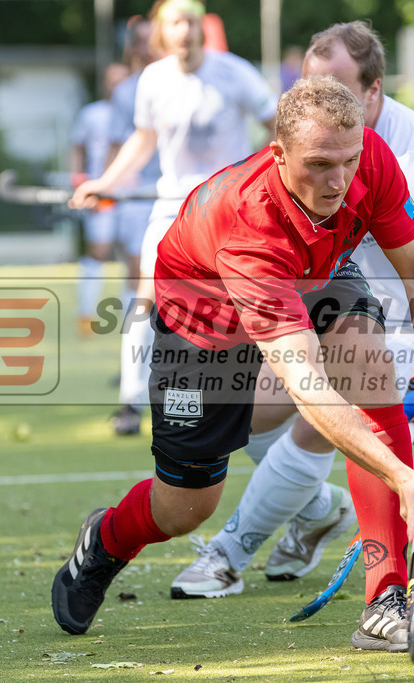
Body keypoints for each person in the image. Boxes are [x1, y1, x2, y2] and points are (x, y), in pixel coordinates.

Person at [53, 75, 414, 653]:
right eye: (320, 164)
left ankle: (385, 600)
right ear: (279, 155)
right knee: (187, 508)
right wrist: (401, 475)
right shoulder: (251, 229)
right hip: (204, 320)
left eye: (346, 162)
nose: (338, 181)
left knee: (370, 369)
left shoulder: (365, 157)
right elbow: (308, 388)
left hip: (317, 271)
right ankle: (105, 540)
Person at [170, 21, 414, 643]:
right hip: (363, 297)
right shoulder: (323, 142)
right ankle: (317, 509)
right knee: (250, 412)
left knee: (332, 409)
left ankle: (233, 555)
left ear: (373, 93)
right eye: (308, 86)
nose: (320, 102)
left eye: (337, 88)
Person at [73, 0, 278, 436]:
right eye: (173, 23)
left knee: (245, 308)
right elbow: (143, 141)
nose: (183, 30)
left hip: (231, 211)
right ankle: (129, 403)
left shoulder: (234, 72)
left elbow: (277, 124)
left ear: (201, 27)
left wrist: (255, 174)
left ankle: (255, 400)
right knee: (145, 303)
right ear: (162, 33)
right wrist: (105, 182)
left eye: (189, 21)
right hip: (172, 209)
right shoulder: (153, 79)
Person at [71, 62, 131, 336]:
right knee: (99, 250)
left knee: (136, 258)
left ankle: (133, 323)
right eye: (111, 80)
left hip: (133, 195)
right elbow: (77, 148)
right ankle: (86, 314)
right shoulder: (92, 114)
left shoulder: (137, 113)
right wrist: (79, 180)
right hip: (102, 194)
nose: (116, 86)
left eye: (121, 80)